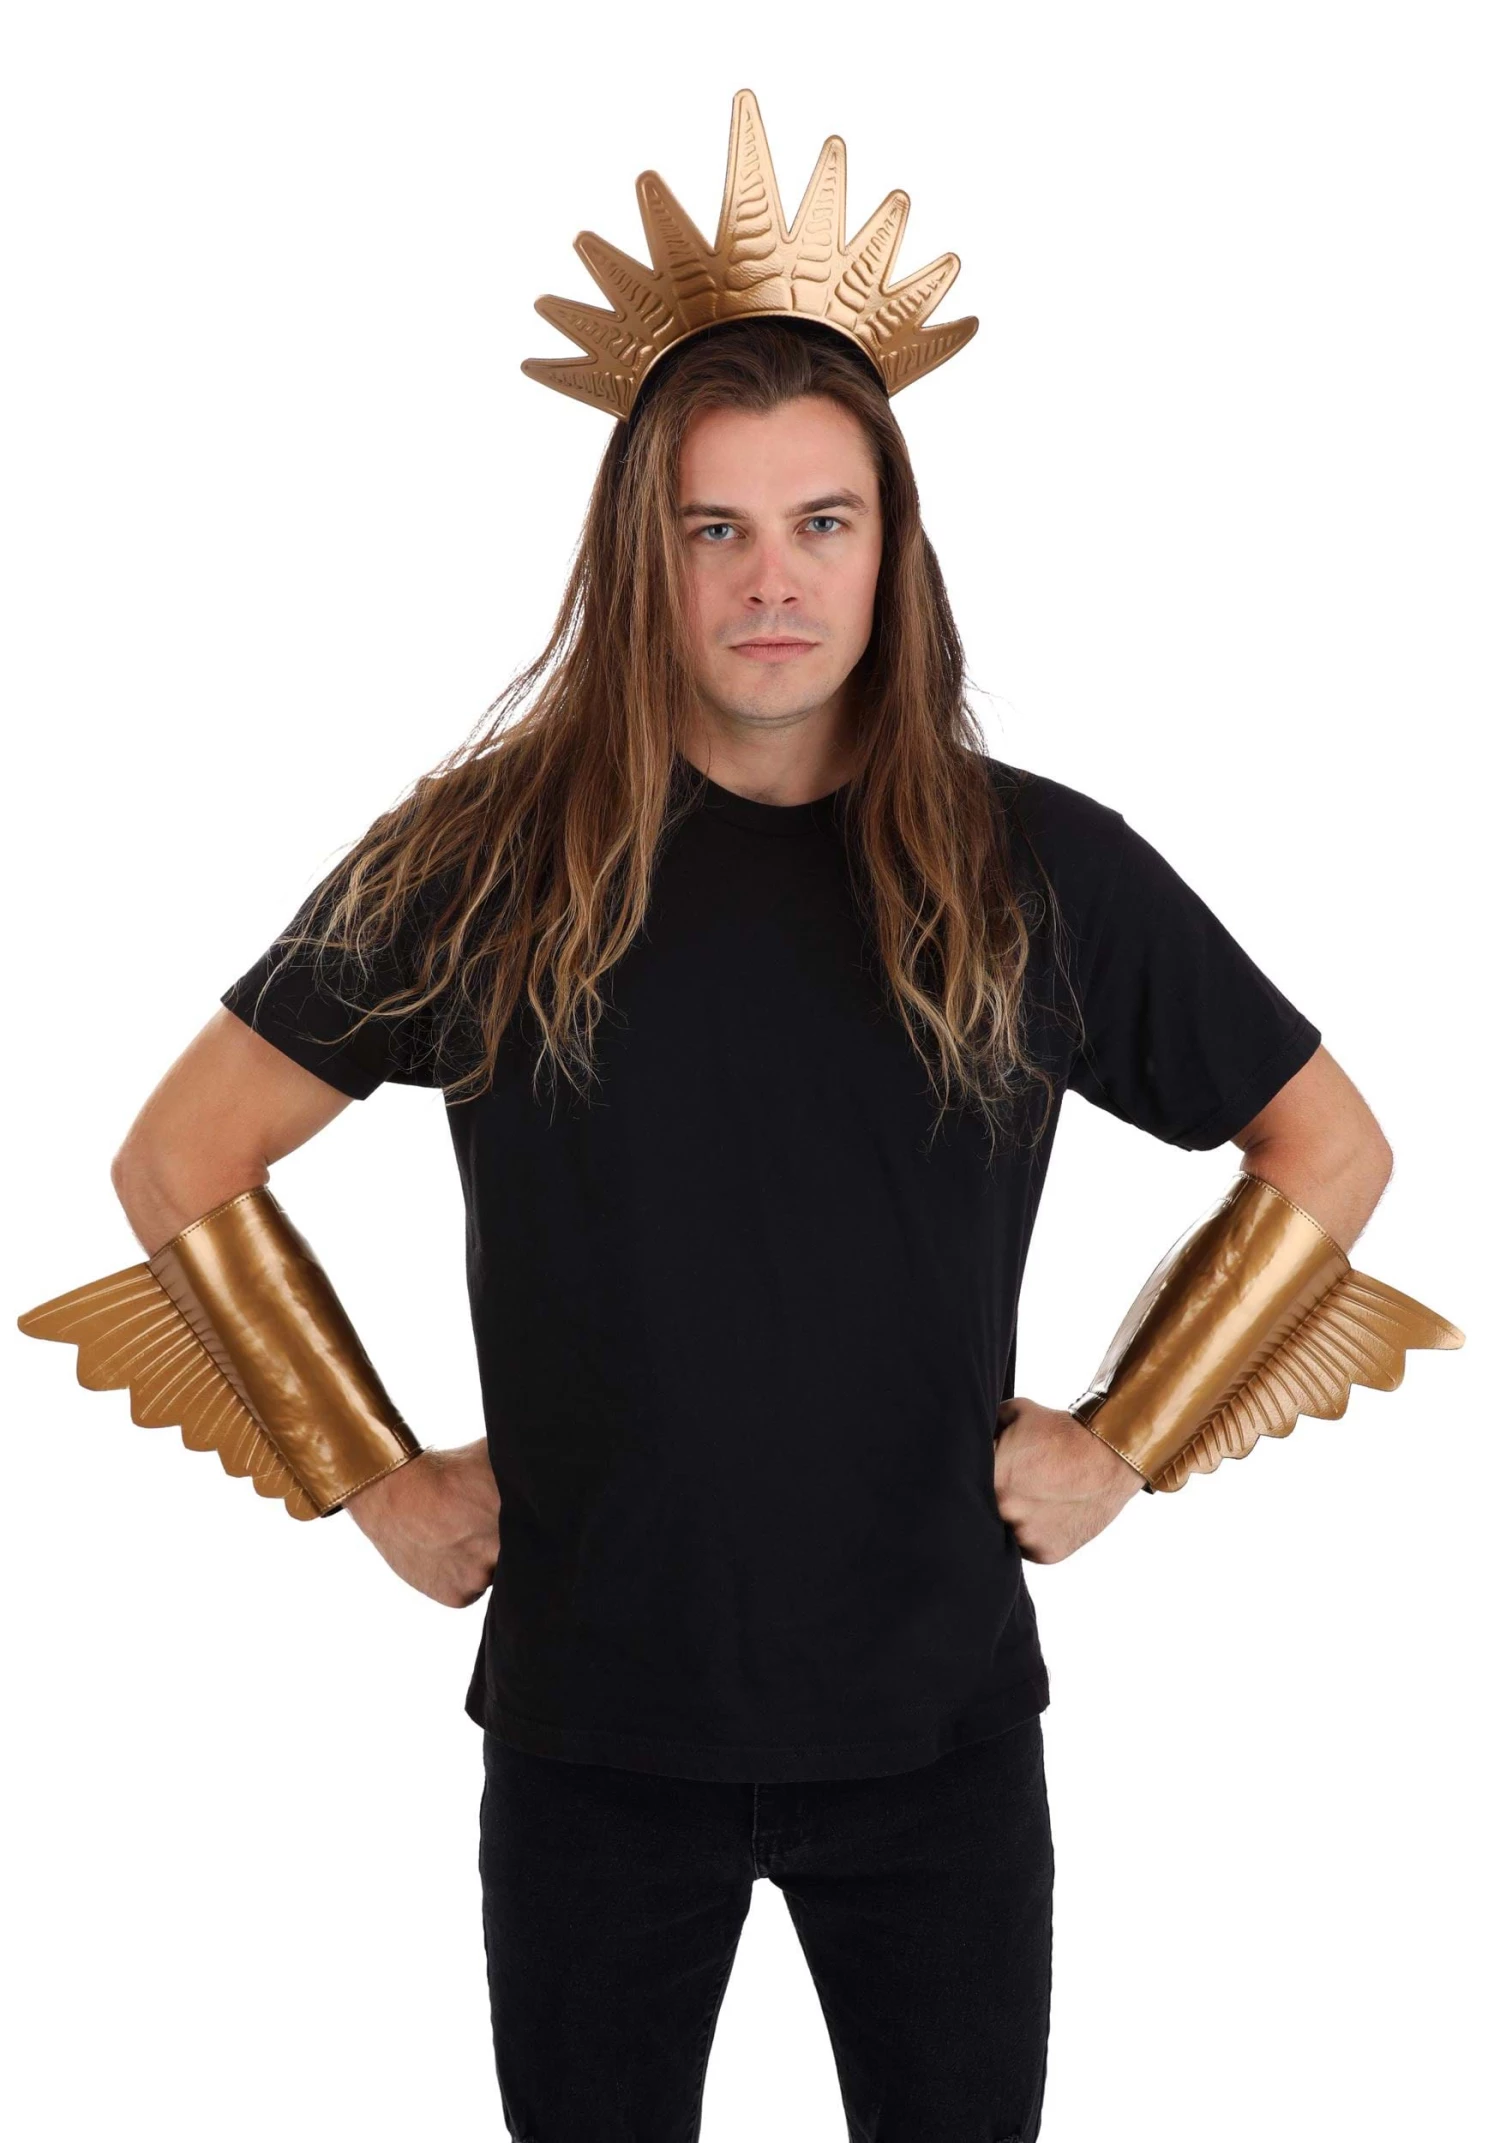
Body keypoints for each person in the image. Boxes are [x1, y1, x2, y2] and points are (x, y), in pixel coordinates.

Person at [19, 89, 1461, 2143]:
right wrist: (370, 1478)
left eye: (821, 524)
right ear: (645, 553)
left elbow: (1334, 1143)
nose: (770, 581)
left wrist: (1128, 1438)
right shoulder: (482, 862)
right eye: (716, 530)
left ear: (891, 550)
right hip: (595, 1736)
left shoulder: (1042, 869)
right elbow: (180, 1153)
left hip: (938, 1734)